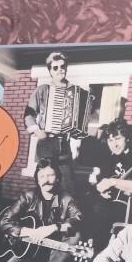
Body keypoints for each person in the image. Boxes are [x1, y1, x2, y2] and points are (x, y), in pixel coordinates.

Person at [81, 122, 132, 254]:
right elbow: (102, 180)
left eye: (118, 139)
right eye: (110, 140)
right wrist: (102, 190)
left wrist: (113, 182)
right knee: (86, 203)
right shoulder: (110, 157)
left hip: (128, 203)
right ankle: (89, 248)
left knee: (101, 212)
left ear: (127, 138)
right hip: (110, 199)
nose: (114, 144)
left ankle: (100, 251)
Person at [23, 50, 87, 183]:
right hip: (46, 143)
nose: (60, 70)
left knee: (67, 183)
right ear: (50, 71)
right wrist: (37, 131)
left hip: (64, 143)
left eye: (63, 66)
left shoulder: (75, 92)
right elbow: (28, 114)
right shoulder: (42, 89)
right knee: (45, 181)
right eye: (55, 68)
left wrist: (78, 130)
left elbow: (80, 118)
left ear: (66, 68)